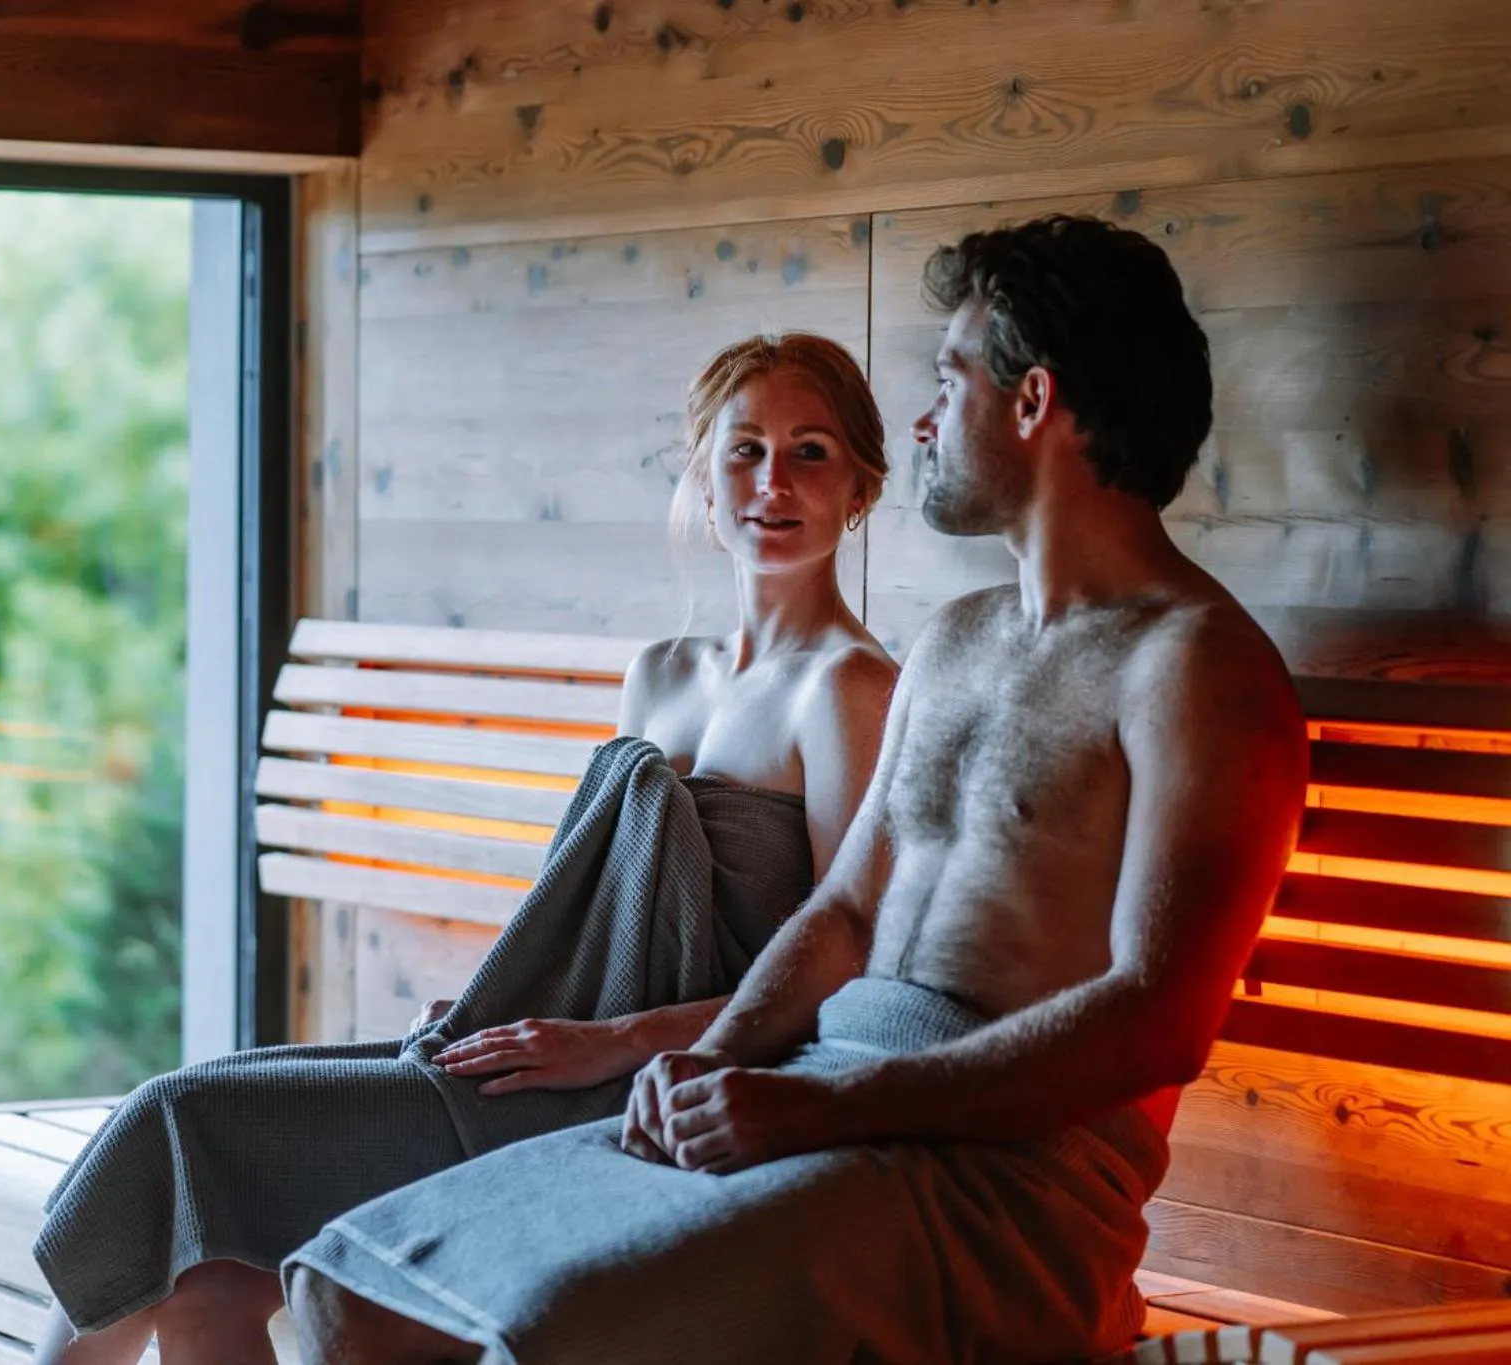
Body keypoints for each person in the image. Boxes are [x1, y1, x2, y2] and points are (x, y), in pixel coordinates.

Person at [284, 215, 1310, 1365]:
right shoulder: (958, 642)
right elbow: (844, 912)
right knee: (349, 1289)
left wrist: (829, 1107)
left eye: (945, 379)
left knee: (547, 1330)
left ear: (1030, 404)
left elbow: (1155, 1022)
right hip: (825, 1101)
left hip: (998, 1184)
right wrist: (711, 1060)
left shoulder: (1191, 668)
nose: (921, 422)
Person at [31, 332, 899, 1365]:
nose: (772, 482)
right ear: (702, 480)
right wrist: (496, 996)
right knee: (206, 1269)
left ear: (860, 486)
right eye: (744, 449)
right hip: (548, 1044)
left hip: (650, 1087)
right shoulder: (661, 671)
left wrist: (612, 1044)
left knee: (176, 1117)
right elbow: (586, 903)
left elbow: (849, 970)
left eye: (809, 451)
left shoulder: (849, 689)